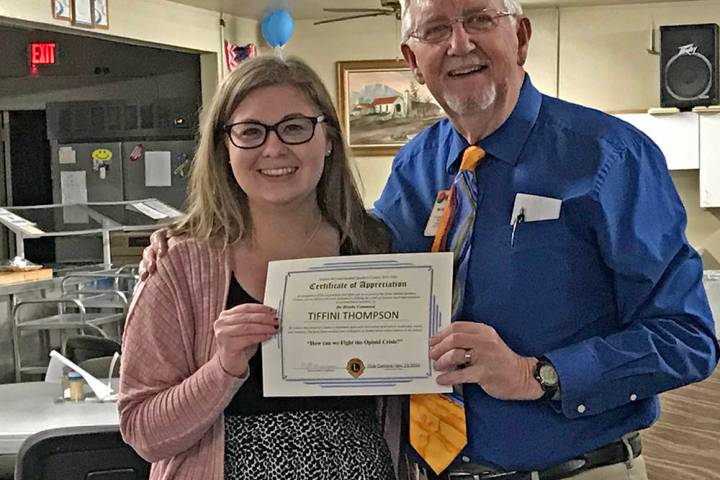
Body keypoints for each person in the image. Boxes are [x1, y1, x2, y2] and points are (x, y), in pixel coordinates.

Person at [140, 0, 720, 479]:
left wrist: (537, 373)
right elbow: (363, 261)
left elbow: (689, 337)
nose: (460, 44)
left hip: (573, 469)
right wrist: (184, 239)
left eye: (480, 20)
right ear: (413, 60)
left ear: (520, 35)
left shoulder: (609, 156)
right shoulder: (417, 166)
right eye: (436, 29)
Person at [118, 55, 397, 480]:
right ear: (224, 148)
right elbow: (142, 432)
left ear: (329, 139)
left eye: (295, 127)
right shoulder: (179, 265)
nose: (273, 148)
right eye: (250, 131)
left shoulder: (375, 248)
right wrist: (222, 369)